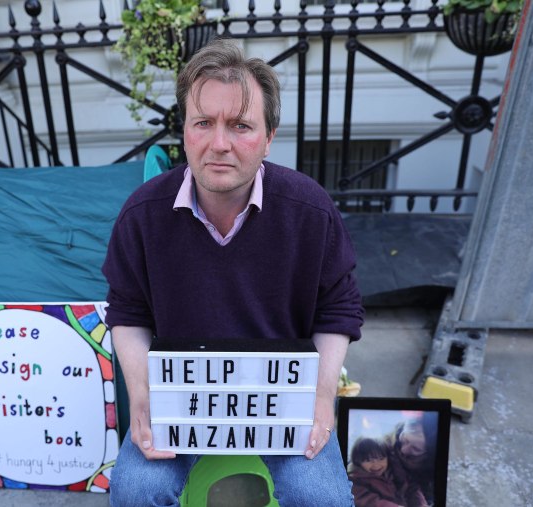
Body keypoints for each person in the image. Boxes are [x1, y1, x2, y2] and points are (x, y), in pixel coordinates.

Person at [102, 38, 364, 507]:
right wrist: (140, 394)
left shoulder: (310, 211)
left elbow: (338, 309)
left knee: (321, 497)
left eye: (240, 126)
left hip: (284, 400)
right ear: (184, 131)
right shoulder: (142, 215)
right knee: (135, 491)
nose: (219, 144)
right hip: (179, 399)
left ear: (269, 137)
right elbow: (127, 311)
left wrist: (323, 396)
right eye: (203, 123)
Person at [348, 437, 427, 507]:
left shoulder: (395, 471)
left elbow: (411, 489)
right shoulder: (355, 479)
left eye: (381, 459)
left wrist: (420, 504)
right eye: (368, 460)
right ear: (357, 461)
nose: (376, 465)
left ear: (387, 458)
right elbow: (367, 500)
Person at [384, 414, 438, 504]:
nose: (403, 450)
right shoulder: (383, 447)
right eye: (405, 439)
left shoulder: (431, 478)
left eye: (416, 449)